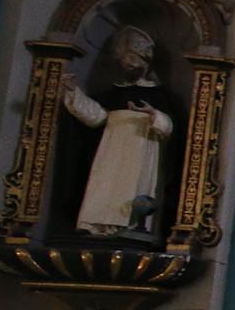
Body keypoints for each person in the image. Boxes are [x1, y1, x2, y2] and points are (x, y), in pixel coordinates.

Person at [62, 25, 176, 239]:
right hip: (110, 148)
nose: (129, 63)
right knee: (104, 184)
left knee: (135, 186)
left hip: (142, 147)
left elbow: (171, 128)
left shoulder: (160, 95)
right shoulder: (112, 93)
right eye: (125, 60)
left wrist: (153, 114)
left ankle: (132, 226)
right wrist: (72, 92)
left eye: (134, 59)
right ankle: (97, 225)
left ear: (145, 62)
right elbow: (96, 116)